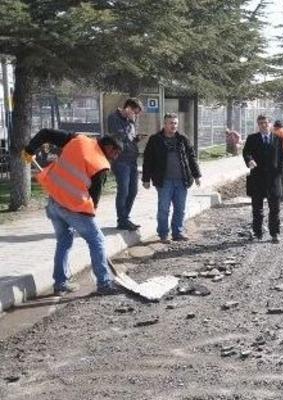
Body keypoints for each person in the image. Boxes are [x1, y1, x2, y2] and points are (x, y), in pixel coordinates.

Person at [21, 129, 122, 295]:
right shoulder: (100, 165)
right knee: (97, 241)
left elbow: (46, 133)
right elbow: (93, 200)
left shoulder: (78, 140)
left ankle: (60, 283)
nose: (115, 157)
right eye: (115, 152)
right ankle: (104, 283)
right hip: (74, 208)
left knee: (64, 240)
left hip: (54, 202)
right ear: (108, 146)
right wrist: (89, 218)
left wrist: (30, 148)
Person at [142, 113, 202, 243]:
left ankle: (178, 232)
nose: (173, 125)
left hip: (182, 180)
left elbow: (191, 157)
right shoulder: (155, 139)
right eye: (171, 123)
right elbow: (148, 160)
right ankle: (163, 234)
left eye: (175, 123)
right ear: (164, 124)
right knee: (164, 208)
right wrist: (145, 179)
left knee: (180, 208)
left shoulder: (182, 139)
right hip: (164, 181)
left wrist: (196, 175)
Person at [242, 115, 283, 243]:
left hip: (273, 180)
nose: (263, 125)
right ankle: (257, 232)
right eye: (261, 123)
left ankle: (275, 233)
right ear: (258, 125)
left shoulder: (278, 139)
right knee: (257, 209)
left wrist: (279, 170)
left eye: (266, 123)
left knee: (275, 209)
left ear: (270, 124)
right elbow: (246, 152)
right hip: (257, 179)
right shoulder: (252, 138)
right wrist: (249, 160)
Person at [107, 98, 146, 231]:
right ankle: (122, 220)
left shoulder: (131, 122)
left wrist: (137, 139)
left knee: (133, 191)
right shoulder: (113, 118)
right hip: (120, 160)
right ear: (128, 108)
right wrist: (130, 123)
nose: (136, 115)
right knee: (123, 190)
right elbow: (118, 136)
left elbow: (130, 140)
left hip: (132, 160)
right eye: (135, 112)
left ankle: (125, 218)